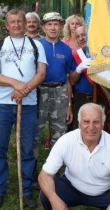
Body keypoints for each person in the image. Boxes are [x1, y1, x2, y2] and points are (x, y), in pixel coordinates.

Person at [0, 9, 47, 210]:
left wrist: (25, 89)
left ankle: (27, 189)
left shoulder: (36, 44)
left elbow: (41, 73)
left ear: (25, 23)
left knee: (28, 148)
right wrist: (16, 84)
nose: (16, 25)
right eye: (12, 22)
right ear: (6, 25)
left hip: (28, 104)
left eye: (19, 21)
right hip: (2, 104)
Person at [38, 103, 110, 210]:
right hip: (72, 187)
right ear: (79, 124)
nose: (91, 127)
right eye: (86, 122)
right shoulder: (65, 141)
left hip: (105, 190)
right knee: (46, 196)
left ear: (102, 124)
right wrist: (54, 200)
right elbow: (44, 176)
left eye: (96, 122)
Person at [34, 12, 73, 169]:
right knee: (35, 131)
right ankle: (32, 170)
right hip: (39, 91)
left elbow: (69, 78)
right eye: (49, 24)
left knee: (60, 133)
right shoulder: (37, 46)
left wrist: (69, 104)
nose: (53, 27)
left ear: (62, 26)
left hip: (60, 91)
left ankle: (55, 170)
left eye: (56, 24)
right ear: (43, 27)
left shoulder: (67, 49)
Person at [69, 26, 107, 131]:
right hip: (81, 99)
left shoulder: (102, 53)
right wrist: (79, 68)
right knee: (80, 129)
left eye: (84, 34)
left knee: (99, 129)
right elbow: (72, 80)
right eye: (78, 36)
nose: (81, 38)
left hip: (99, 97)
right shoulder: (74, 55)